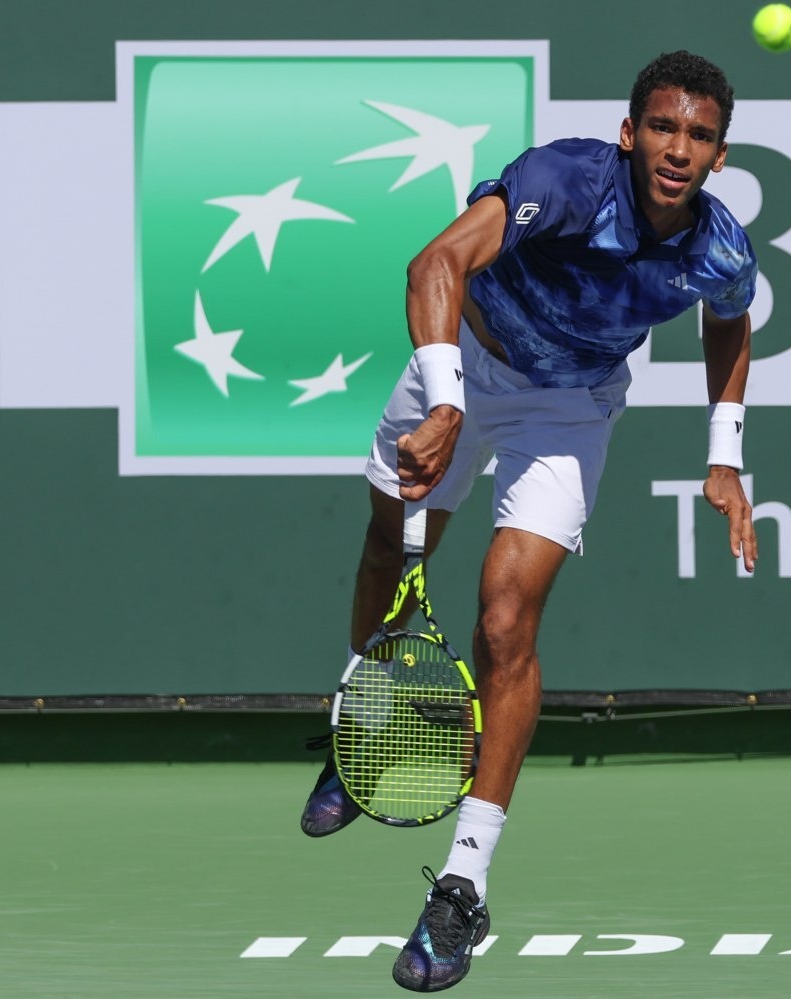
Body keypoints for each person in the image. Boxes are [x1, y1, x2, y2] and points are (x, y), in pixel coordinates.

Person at [299, 50, 761, 992]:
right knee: (389, 536)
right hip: (464, 362)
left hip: (572, 406)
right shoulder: (565, 180)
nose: (680, 149)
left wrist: (725, 453)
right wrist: (442, 401)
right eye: (664, 128)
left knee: (507, 617)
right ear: (631, 135)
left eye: (701, 135)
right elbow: (438, 261)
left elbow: (727, 318)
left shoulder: (718, 245)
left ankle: (462, 885)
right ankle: (373, 719)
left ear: (720, 154)